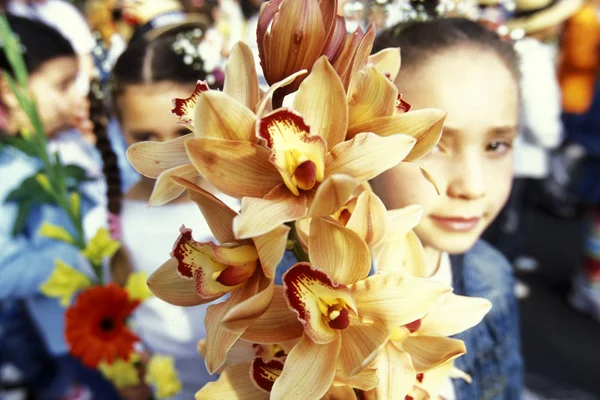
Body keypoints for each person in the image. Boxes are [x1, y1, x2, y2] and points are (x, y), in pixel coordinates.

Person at [371, 18, 523, 399]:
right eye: (433, 145)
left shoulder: (492, 280)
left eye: (496, 146)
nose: (472, 186)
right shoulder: (289, 301)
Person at [108, 18, 231, 399]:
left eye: (184, 134)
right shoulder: (113, 220)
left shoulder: (249, 200)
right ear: (117, 125)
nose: (167, 158)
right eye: (145, 138)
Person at [0, 15, 120, 399]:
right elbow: (4, 271)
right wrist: (79, 254)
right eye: (62, 84)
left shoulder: (70, 140)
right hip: (76, 335)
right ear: (8, 90)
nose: (76, 95)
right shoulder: (7, 172)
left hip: (125, 310)